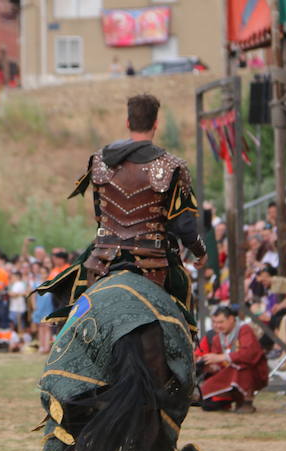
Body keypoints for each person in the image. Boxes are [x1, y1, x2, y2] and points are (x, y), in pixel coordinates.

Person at [54, 93, 207, 335]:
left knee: (73, 295)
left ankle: (64, 344)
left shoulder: (100, 162)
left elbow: (99, 215)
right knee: (184, 297)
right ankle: (187, 355)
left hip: (103, 256)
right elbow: (184, 227)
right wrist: (200, 251)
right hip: (154, 257)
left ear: (128, 122)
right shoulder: (172, 166)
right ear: (156, 124)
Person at [194, 306, 268, 413]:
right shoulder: (216, 338)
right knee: (208, 401)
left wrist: (221, 357)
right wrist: (210, 367)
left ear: (231, 319)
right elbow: (220, 366)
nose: (217, 325)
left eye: (221, 322)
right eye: (215, 322)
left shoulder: (244, 330)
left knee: (242, 366)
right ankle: (234, 401)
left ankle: (247, 401)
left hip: (253, 371)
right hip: (229, 373)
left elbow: (249, 354)